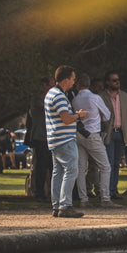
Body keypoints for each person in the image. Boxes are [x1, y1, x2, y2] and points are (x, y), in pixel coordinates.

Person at [45, 65, 88, 218]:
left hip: (54, 139)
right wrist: (79, 116)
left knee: (58, 172)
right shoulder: (59, 96)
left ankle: (57, 205)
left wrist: (73, 115)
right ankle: (65, 205)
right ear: (66, 79)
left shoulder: (50, 93)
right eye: (72, 79)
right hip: (65, 139)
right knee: (71, 170)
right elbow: (66, 119)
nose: (73, 82)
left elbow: (63, 116)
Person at [72, 73, 117, 208]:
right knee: (105, 166)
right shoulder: (95, 98)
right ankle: (105, 198)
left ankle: (83, 199)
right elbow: (107, 115)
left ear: (78, 85)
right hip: (92, 133)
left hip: (79, 134)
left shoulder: (75, 100)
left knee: (81, 168)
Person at [100, 71, 127, 200]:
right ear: (108, 82)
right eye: (114, 80)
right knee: (109, 163)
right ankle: (106, 191)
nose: (117, 82)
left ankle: (113, 190)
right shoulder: (101, 97)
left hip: (121, 133)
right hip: (108, 134)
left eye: (118, 80)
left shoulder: (125, 96)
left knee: (116, 163)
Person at [26, 77, 53, 201]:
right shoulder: (38, 99)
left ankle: (51, 193)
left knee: (52, 166)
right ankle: (39, 193)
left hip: (50, 136)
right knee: (41, 166)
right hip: (41, 137)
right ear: (45, 85)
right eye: (51, 85)